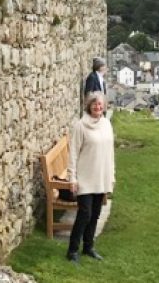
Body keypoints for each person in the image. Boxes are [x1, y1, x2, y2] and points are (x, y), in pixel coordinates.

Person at [66, 91, 115, 263]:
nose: (98, 107)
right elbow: (73, 153)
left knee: (95, 214)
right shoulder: (80, 125)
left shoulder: (107, 124)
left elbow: (110, 153)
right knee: (84, 213)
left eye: (100, 104)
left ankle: (88, 247)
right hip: (85, 177)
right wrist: (72, 178)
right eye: (95, 104)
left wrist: (111, 177)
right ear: (89, 106)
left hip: (101, 176)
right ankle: (72, 250)